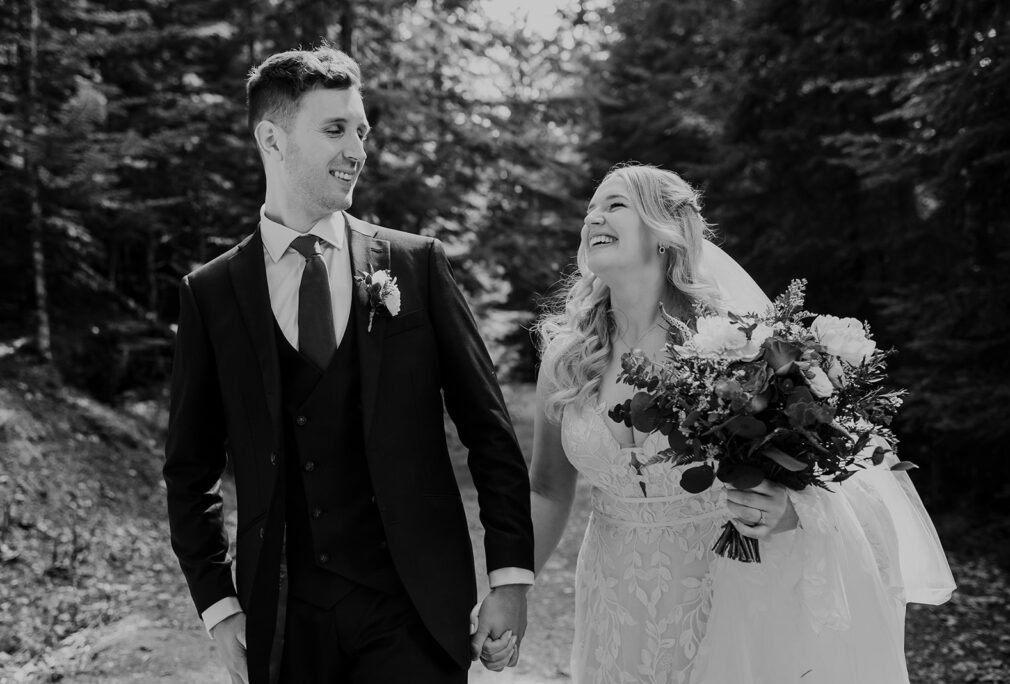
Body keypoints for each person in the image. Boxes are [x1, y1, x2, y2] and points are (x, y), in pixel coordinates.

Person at [163, 46, 533, 684]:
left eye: (361, 130)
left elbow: (490, 433)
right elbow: (189, 469)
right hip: (283, 619)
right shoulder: (213, 292)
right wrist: (220, 608)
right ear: (272, 140)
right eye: (334, 129)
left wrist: (509, 578)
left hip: (413, 606)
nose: (358, 149)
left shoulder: (416, 265)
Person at [528, 163, 955, 683]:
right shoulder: (568, 359)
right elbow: (548, 488)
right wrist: (511, 589)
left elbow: (829, 479)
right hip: (613, 596)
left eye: (615, 204)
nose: (594, 215)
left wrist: (789, 510)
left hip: (726, 588)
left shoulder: (733, 346)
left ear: (666, 233)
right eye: (591, 208)